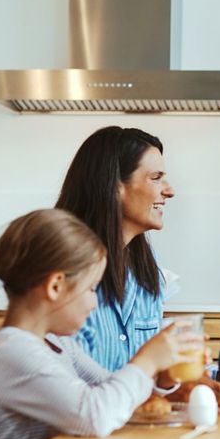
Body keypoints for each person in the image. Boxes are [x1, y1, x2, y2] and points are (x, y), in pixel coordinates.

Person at [0, 209, 200, 439]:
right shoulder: (12, 352)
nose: (95, 303)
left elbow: (116, 396)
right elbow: (95, 415)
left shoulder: (57, 344)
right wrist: (147, 360)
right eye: (92, 289)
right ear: (55, 287)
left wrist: (162, 377)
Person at [55, 126, 175, 372]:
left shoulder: (148, 267)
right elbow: (72, 382)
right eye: (156, 177)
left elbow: (149, 377)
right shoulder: (65, 265)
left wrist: (173, 385)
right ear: (114, 186)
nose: (169, 190)